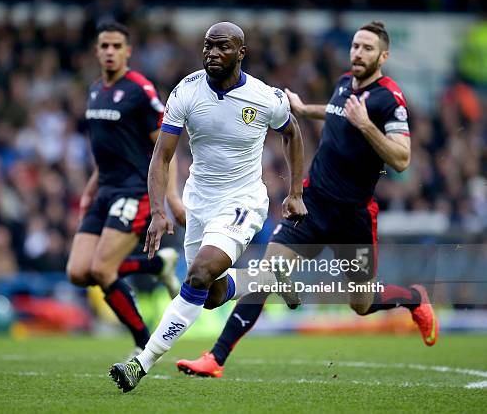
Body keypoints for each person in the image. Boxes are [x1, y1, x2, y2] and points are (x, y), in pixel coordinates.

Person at [176, 21, 439, 378]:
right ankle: (216, 358)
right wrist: (303, 108)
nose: (357, 54)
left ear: (383, 56)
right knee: (268, 272)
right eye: (355, 46)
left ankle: (413, 297)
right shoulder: (346, 83)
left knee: (361, 304)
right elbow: (336, 115)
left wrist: (366, 126)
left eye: (366, 48)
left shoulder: (388, 100)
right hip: (314, 203)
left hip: (354, 217)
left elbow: (402, 158)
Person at [108, 21, 307, 392]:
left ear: (241, 54)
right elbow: (161, 157)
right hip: (199, 202)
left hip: (243, 201)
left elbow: (292, 132)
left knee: (197, 274)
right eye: (208, 46)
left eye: (223, 47)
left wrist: (295, 192)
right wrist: (158, 211)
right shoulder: (186, 90)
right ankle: (267, 278)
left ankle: (141, 362)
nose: (212, 54)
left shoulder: (265, 97)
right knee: (211, 295)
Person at [66, 22, 185, 356]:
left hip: (134, 191)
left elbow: (166, 147)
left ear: (127, 51)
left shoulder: (139, 90)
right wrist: (90, 188)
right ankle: (157, 265)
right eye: (104, 46)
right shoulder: (94, 91)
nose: (109, 52)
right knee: (78, 273)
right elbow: (106, 150)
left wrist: (171, 196)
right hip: (104, 189)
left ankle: (143, 345)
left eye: (116, 46)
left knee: (102, 269)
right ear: (96, 50)